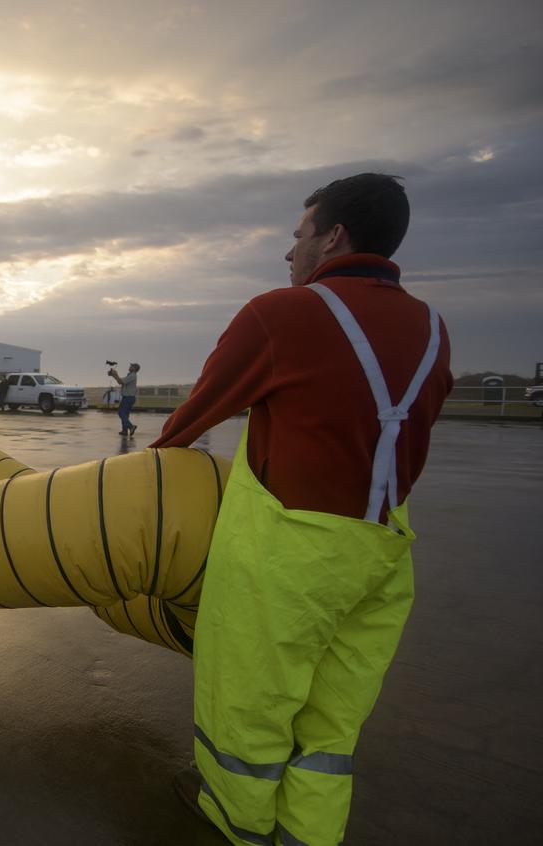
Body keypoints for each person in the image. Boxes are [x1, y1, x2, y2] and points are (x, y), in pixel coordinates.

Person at [153, 174, 452, 846]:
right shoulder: (433, 328)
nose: (289, 255)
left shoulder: (280, 315)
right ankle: (308, 834)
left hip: (289, 557)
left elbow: (187, 422)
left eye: (299, 237)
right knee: (330, 724)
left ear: (334, 237)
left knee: (250, 708)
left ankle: (234, 821)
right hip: (382, 560)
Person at [107, 362, 140, 436]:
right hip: (129, 398)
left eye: (131, 366)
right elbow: (119, 381)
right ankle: (124, 431)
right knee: (125, 414)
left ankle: (131, 427)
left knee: (121, 412)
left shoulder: (132, 376)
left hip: (128, 398)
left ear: (134, 368)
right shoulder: (131, 375)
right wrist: (114, 375)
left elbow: (120, 381)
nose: (129, 367)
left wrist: (115, 374)